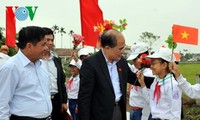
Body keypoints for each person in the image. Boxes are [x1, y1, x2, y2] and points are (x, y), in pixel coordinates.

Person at [78, 29, 154, 120]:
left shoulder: (121, 62)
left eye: (124, 48)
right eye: (120, 48)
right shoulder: (91, 64)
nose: (123, 52)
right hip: (99, 114)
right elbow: (84, 98)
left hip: (119, 111)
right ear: (107, 48)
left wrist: (161, 79)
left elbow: (134, 78)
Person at [0, 26, 52, 119]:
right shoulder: (11, 67)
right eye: (43, 44)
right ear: (29, 46)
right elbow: (2, 103)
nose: (46, 48)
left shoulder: (42, 64)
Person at [137, 47, 182, 120]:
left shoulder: (172, 85)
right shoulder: (156, 81)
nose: (151, 67)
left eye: (154, 64)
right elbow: (150, 101)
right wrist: (142, 83)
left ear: (164, 65)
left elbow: (175, 112)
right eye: (151, 64)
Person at [42, 27, 68, 120]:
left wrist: (64, 101)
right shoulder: (36, 61)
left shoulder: (56, 60)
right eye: (47, 40)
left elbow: (62, 82)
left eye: (52, 40)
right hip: (42, 101)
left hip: (56, 101)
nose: (50, 43)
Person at [127, 43, 154, 120]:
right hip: (134, 111)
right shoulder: (137, 69)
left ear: (144, 57)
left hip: (143, 112)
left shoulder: (150, 73)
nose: (133, 61)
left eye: (135, 59)